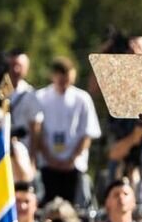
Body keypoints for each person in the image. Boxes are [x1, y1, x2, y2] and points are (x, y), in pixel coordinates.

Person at [33, 57, 101, 207]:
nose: (64, 84)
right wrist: (50, 158)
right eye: (60, 80)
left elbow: (87, 133)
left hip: (73, 165)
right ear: (53, 76)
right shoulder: (41, 97)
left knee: (75, 209)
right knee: (48, 207)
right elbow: (36, 132)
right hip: (48, 165)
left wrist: (71, 159)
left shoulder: (82, 98)